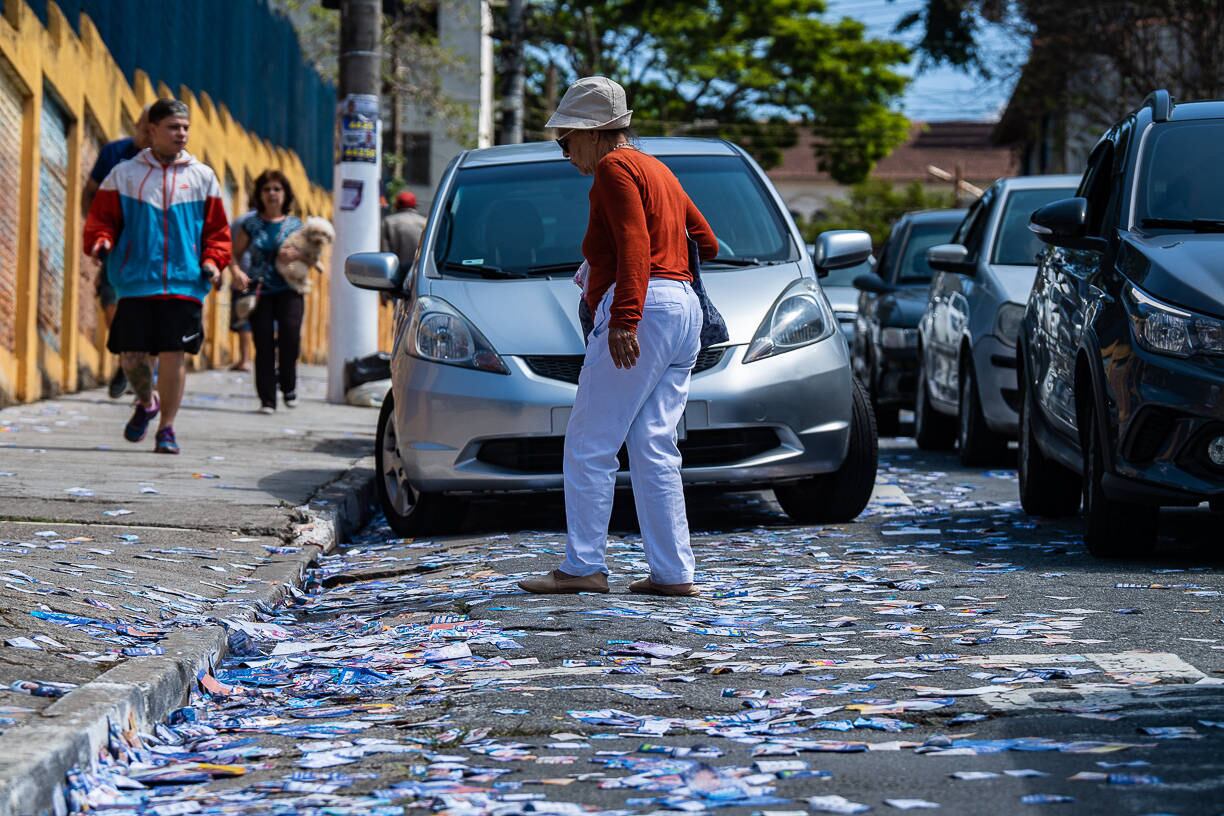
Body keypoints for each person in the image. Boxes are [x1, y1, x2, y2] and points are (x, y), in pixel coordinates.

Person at [518, 77, 718, 597]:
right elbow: (708, 240)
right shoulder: (657, 168)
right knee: (654, 444)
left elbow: (634, 241)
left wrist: (626, 316)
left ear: (593, 132)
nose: (565, 152)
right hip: (683, 310)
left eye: (566, 140)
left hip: (645, 307)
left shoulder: (612, 167)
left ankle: (584, 564)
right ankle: (673, 573)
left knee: (589, 442)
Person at [83, 98, 231, 454]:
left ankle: (167, 428)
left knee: (173, 353)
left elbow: (217, 232)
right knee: (131, 356)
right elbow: (101, 220)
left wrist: (213, 262)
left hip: (185, 283)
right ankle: (146, 401)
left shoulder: (202, 177)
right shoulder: (124, 175)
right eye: (173, 127)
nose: (181, 134)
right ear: (152, 130)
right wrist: (101, 241)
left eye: (185, 127)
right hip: (134, 281)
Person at [81, 105, 151, 399]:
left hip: (150, 246)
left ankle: (135, 366)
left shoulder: (169, 162)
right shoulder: (114, 153)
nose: (148, 134)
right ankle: (126, 351)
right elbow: (90, 191)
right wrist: (95, 229)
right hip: (115, 241)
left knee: (146, 308)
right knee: (110, 300)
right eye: (145, 127)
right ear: (136, 125)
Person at [229, 170, 304, 413]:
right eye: (267, 189)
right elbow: (233, 254)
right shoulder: (251, 224)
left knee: (290, 337)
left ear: (285, 194)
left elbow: (312, 254)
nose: (272, 194)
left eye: (277, 189)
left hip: (290, 288)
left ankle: (289, 385)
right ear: (259, 195)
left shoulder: (295, 225)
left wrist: (298, 254)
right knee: (262, 343)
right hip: (260, 289)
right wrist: (237, 273)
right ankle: (267, 399)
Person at [227, 208, 256, 371]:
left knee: (243, 319)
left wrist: (234, 273)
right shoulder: (277, 221)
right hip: (266, 278)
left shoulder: (241, 220)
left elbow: (229, 250)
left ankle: (244, 359)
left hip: (243, 276)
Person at [381, 190, 427, 272]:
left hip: (396, 273)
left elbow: (385, 254)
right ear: (415, 206)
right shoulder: (424, 222)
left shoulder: (388, 222)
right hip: (418, 273)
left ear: (396, 206)